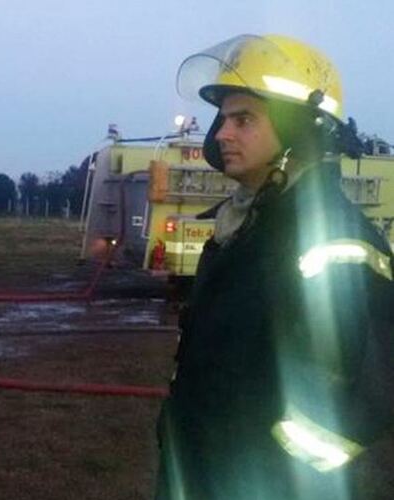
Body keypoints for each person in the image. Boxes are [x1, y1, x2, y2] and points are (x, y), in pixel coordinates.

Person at [155, 34, 394, 499]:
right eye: (222, 119)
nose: (222, 133)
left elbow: (369, 389)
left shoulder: (332, 239)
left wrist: (275, 467)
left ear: (297, 131)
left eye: (243, 119)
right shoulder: (246, 227)